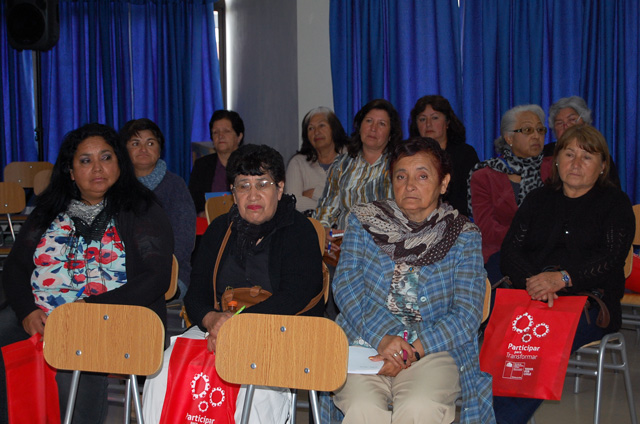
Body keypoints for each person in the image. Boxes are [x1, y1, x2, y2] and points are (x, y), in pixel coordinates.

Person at [0, 123, 174, 424]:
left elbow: (155, 277)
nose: (97, 168)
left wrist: (87, 310)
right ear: (70, 171)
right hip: (45, 314)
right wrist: (27, 311)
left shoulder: (141, 208)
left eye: (106, 157)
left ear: (119, 163)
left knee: (75, 354)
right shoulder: (49, 209)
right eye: (85, 160)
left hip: (113, 315)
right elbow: (15, 266)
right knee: (4, 330)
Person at [143, 144, 324, 423]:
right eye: (243, 185)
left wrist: (236, 327)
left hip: (281, 329)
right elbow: (196, 293)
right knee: (163, 371)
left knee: (253, 386)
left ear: (279, 189)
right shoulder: (219, 229)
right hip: (220, 327)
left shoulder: (300, 230)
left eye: (263, 184)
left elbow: (295, 296)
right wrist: (212, 319)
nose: (253, 195)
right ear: (233, 192)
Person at [329, 137, 495, 424]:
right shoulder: (364, 221)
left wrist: (413, 351)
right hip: (365, 340)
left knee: (419, 407)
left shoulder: (463, 235)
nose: (409, 185)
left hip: (432, 348)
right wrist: (382, 338)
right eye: (401, 176)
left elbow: (467, 313)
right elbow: (346, 286)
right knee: (362, 407)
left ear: (443, 183)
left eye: (422, 176)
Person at [493, 125, 635, 424]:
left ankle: (499, 420)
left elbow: (611, 259)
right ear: (556, 160)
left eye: (587, 157)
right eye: (569, 154)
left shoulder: (615, 203)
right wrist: (535, 283)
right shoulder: (538, 199)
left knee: (536, 343)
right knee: (494, 336)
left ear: (603, 166)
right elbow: (510, 252)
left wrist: (563, 279)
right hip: (532, 296)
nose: (576, 163)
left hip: (589, 303)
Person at [467, 104, 552, 281]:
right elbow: (487, 230)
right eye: (527, 130)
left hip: (549, 254)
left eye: (540, 130)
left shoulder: (554, 169)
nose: (536, 136)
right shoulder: (484, 176)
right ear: (509, 137)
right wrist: (529, 238)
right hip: (500, 254)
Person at [314, 98, 402, 253]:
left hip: (386, 249)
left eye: (381, 124)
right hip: (346, 247)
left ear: (390, 134)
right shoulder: (341, 164)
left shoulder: (400, 165)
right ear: (359, 126)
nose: (373, 128)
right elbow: (327, 207)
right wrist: (323, 230)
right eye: (369, 121)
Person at [121, 118, 196, 299]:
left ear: (159, 149)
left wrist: (151, 271)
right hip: (121, 269)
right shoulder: (117, 186)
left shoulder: (175, 185)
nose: (143, 149)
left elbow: (183, 241)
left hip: (169, 271)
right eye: (135, 143)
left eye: (150, 143)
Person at [409, 94, 479, 216]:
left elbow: (475, 197)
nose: (428, 124)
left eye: (435, 118)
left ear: (447, 122)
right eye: (422, 119)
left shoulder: (465, 154)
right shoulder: (409, 155)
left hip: (457, 220)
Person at [285, 107, 349, 215]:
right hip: (311, 224)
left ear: (334, 129)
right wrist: (334, 209)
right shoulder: (298, 163)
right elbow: (292, 202)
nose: (316, 132)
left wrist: (314, 193)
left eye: (321, 125)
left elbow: (354, 200)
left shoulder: (352, 158)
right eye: (311, 128)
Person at [546, 96, 620, 187]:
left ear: (585, 123)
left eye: (572, 120)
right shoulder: (543, 155)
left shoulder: (598, 154)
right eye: (559, 123)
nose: (566, 126)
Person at [189, 109, 244, 215]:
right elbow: (192, 202)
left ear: (239, 137)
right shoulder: (201, 165)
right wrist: (202, 213)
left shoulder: (250, 164)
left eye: (226, 131)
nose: (220, 136)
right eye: (215, 132)